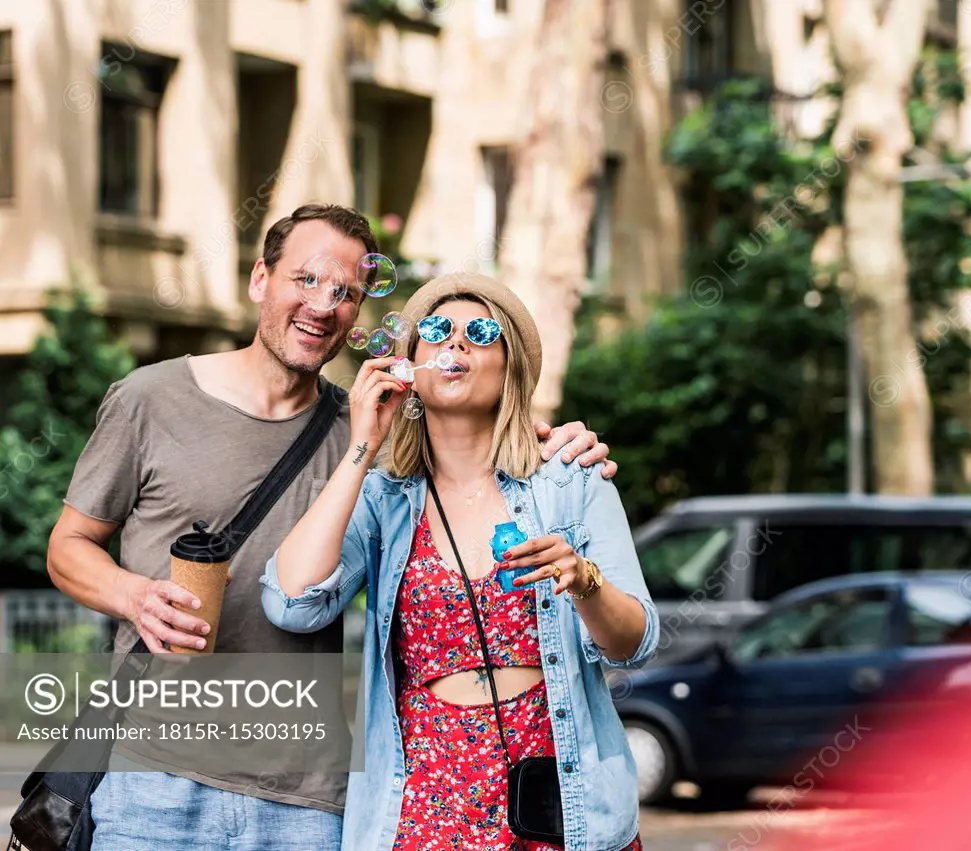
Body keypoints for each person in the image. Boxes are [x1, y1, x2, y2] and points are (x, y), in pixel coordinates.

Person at [46, 204, 616, 850]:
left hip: (307, 797)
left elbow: (481, 443)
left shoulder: (375, 428)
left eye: (347, 292)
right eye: (306, 280)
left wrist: (561, 440)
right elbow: (67, 546)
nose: (324, 304)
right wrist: (132, 595)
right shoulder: (151, 399)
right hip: (156, 781)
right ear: (261, 278)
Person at [262, 272, 660, 851]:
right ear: (412, 367)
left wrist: (584, 583)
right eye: (436, 331)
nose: (456, 344)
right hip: (424, 798)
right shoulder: (384, 501)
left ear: (510, 367)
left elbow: (636, 643)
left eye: (480, 332)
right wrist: (363, 445)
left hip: (556, 795)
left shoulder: (569, 484)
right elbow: (291, 602)